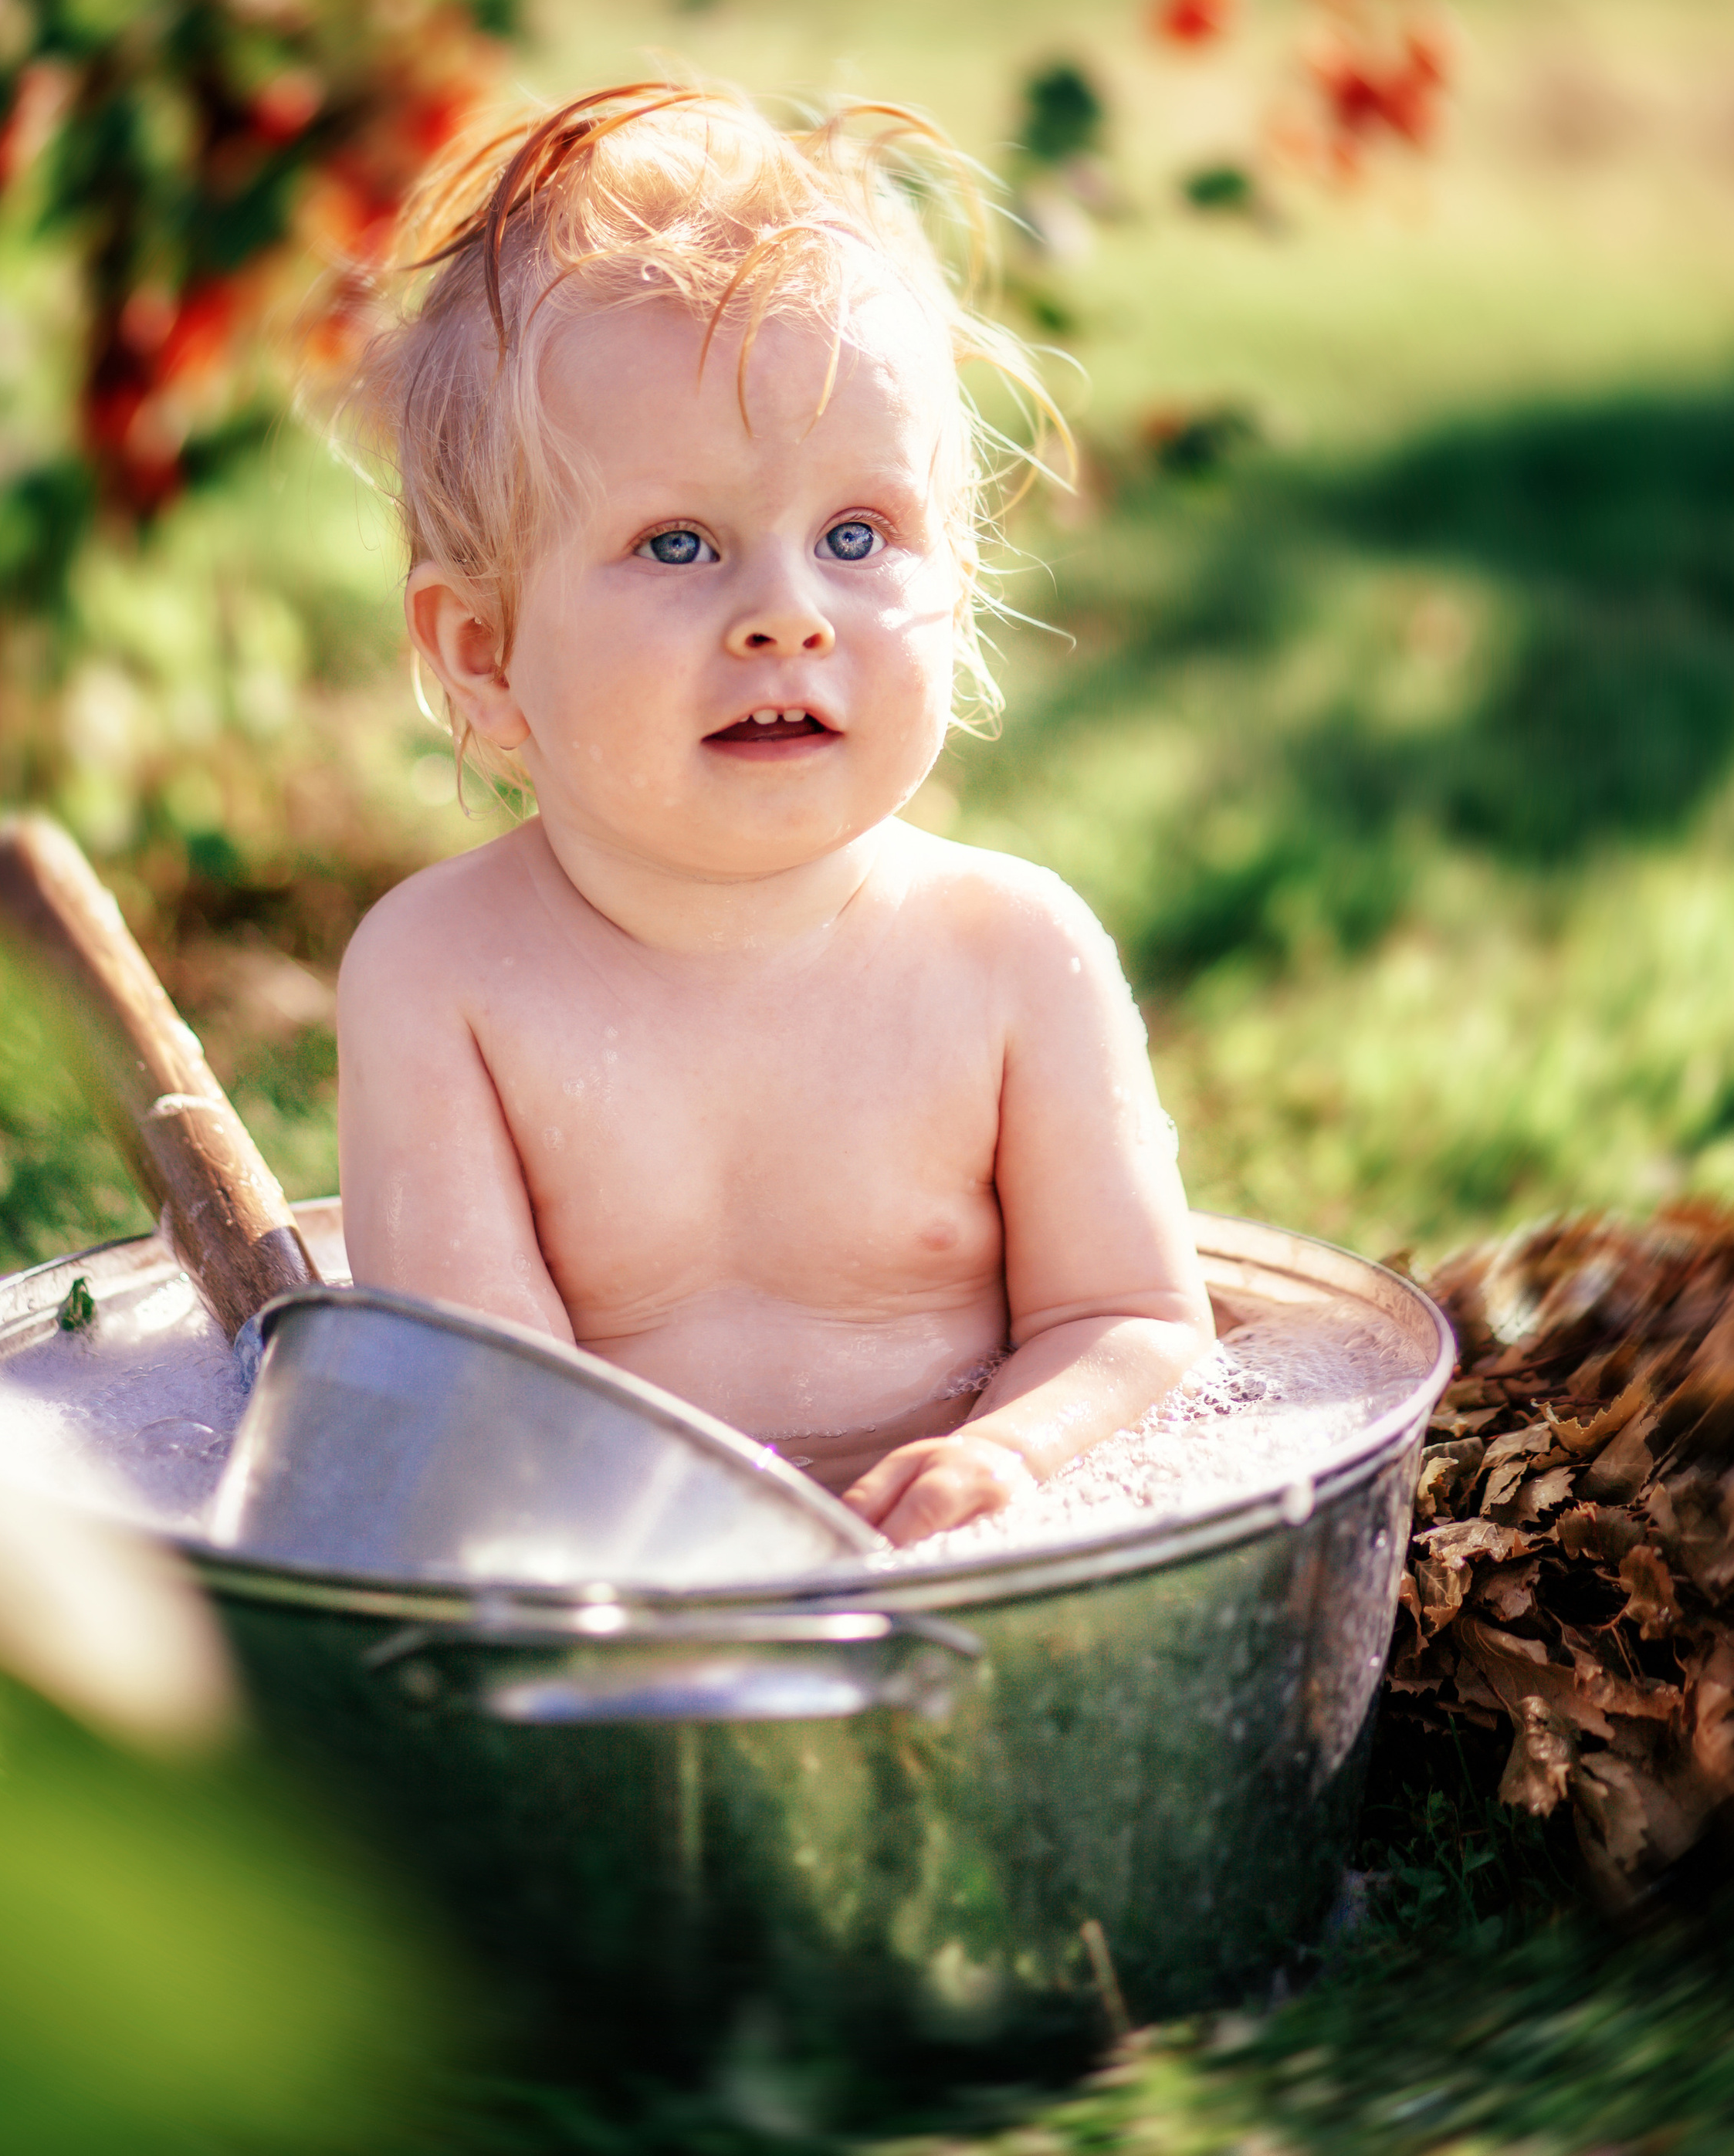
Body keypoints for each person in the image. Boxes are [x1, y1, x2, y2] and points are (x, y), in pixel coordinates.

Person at [334, 82, 1211, 1543]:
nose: (785, 616)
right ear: (484, 655)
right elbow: (485, 1421)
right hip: (615, 1587)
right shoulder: (442, 975)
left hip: (953, 1586)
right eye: (679, 543)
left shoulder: (1011, 953)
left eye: (857, 535)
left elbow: (1129, 1317)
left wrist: (1013, 1460)